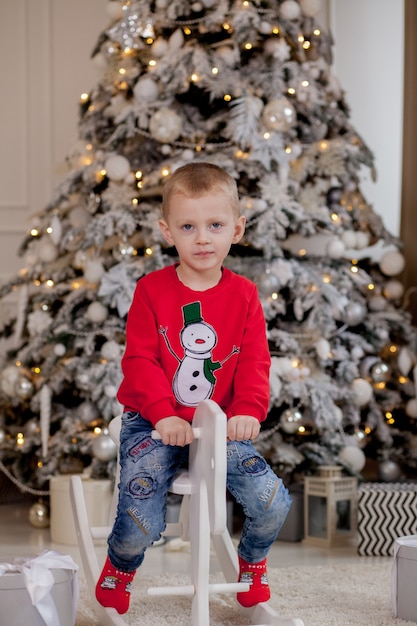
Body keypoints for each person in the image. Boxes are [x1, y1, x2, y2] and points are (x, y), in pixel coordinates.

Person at [95, 162, 292, 614]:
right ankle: (120, 565)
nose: (202, 238)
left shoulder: (244, 295)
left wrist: (248, 409)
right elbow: (140, 360)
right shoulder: (151, 290)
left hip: (219, 427)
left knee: (272, 501)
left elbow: (256, 361)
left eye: (215, 225)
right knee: (141, 519)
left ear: (237, 229)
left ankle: (252, 563)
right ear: (168, 231)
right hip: (154, 421)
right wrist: (163, 413)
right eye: (188, 226)